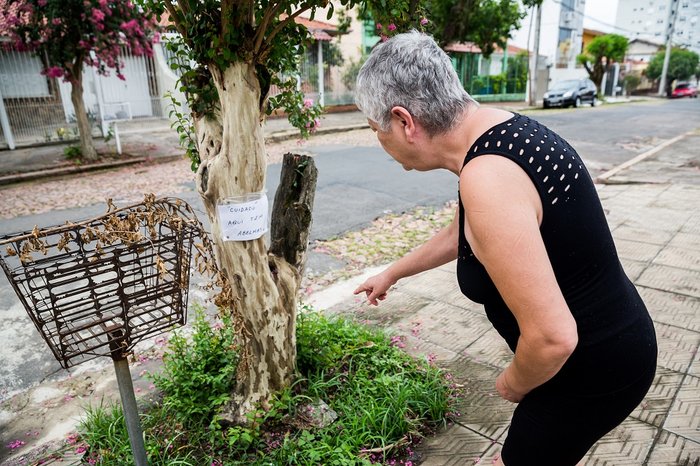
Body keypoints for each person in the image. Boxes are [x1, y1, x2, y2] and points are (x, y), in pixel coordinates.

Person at [352, 31, 657, 466]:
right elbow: (464, 232)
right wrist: (393, 272)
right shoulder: (497, 132)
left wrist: (513, 384)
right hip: (612, 343)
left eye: (375, 129)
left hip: (590, 371)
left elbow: (552, 339)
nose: (380, 142)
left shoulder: (488, 177)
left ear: (405, 122)